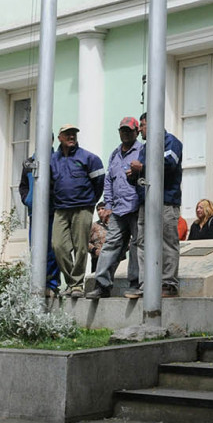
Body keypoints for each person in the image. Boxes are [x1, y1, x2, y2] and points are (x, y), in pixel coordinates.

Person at [125, 112, 182, 298]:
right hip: (146, 202)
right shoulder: (145, 147)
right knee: (142, 243)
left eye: (142, 125)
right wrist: (133, 176)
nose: (140, 129)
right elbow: (145, 172)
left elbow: (169, 164)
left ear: (154, 124)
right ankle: (145, 284)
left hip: (166, 201)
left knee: (167, 242)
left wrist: (142, 168)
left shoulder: (171, 142)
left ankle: (168, 284)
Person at [87, 117, 143, 299]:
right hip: (118, 210)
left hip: (136, 207)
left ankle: (135, 283)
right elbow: (109, 181)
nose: (126, 133)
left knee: (137, 246)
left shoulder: (142, 150)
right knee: (110, 245)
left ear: (137, 132)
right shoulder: (114, 154)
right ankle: (102, 285)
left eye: (129, 130)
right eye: (123, 130)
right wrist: (108, 205)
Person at [50, 123, 105, 298]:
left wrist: (90, 202)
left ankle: (77, 286)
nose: (71, 136)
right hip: (61, 209)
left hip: (83, 208)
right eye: (67, 134)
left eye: (74, 133)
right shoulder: (53, 160)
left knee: (81, 247)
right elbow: (49, 186)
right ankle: (72, 281)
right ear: (60, 138)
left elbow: (99, 182)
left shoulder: (89, 158)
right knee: (58, 246)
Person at [18, 138, 60, 296]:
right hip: (34, 212)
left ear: (52, 141)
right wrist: (27, 200)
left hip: (52, 211)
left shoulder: (57, 160)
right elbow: (23, 185)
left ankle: (52, 284)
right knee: (35, 249)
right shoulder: (29, 162)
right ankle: (36, 284)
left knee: (52, 248)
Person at [89, 202, 108, 277]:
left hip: (116, 259)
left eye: (103, 209)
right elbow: (85, 242)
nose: (100, 211)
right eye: (98, 209)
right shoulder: (93, 226)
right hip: (98, 260)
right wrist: (94, 250)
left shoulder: (116, 225)